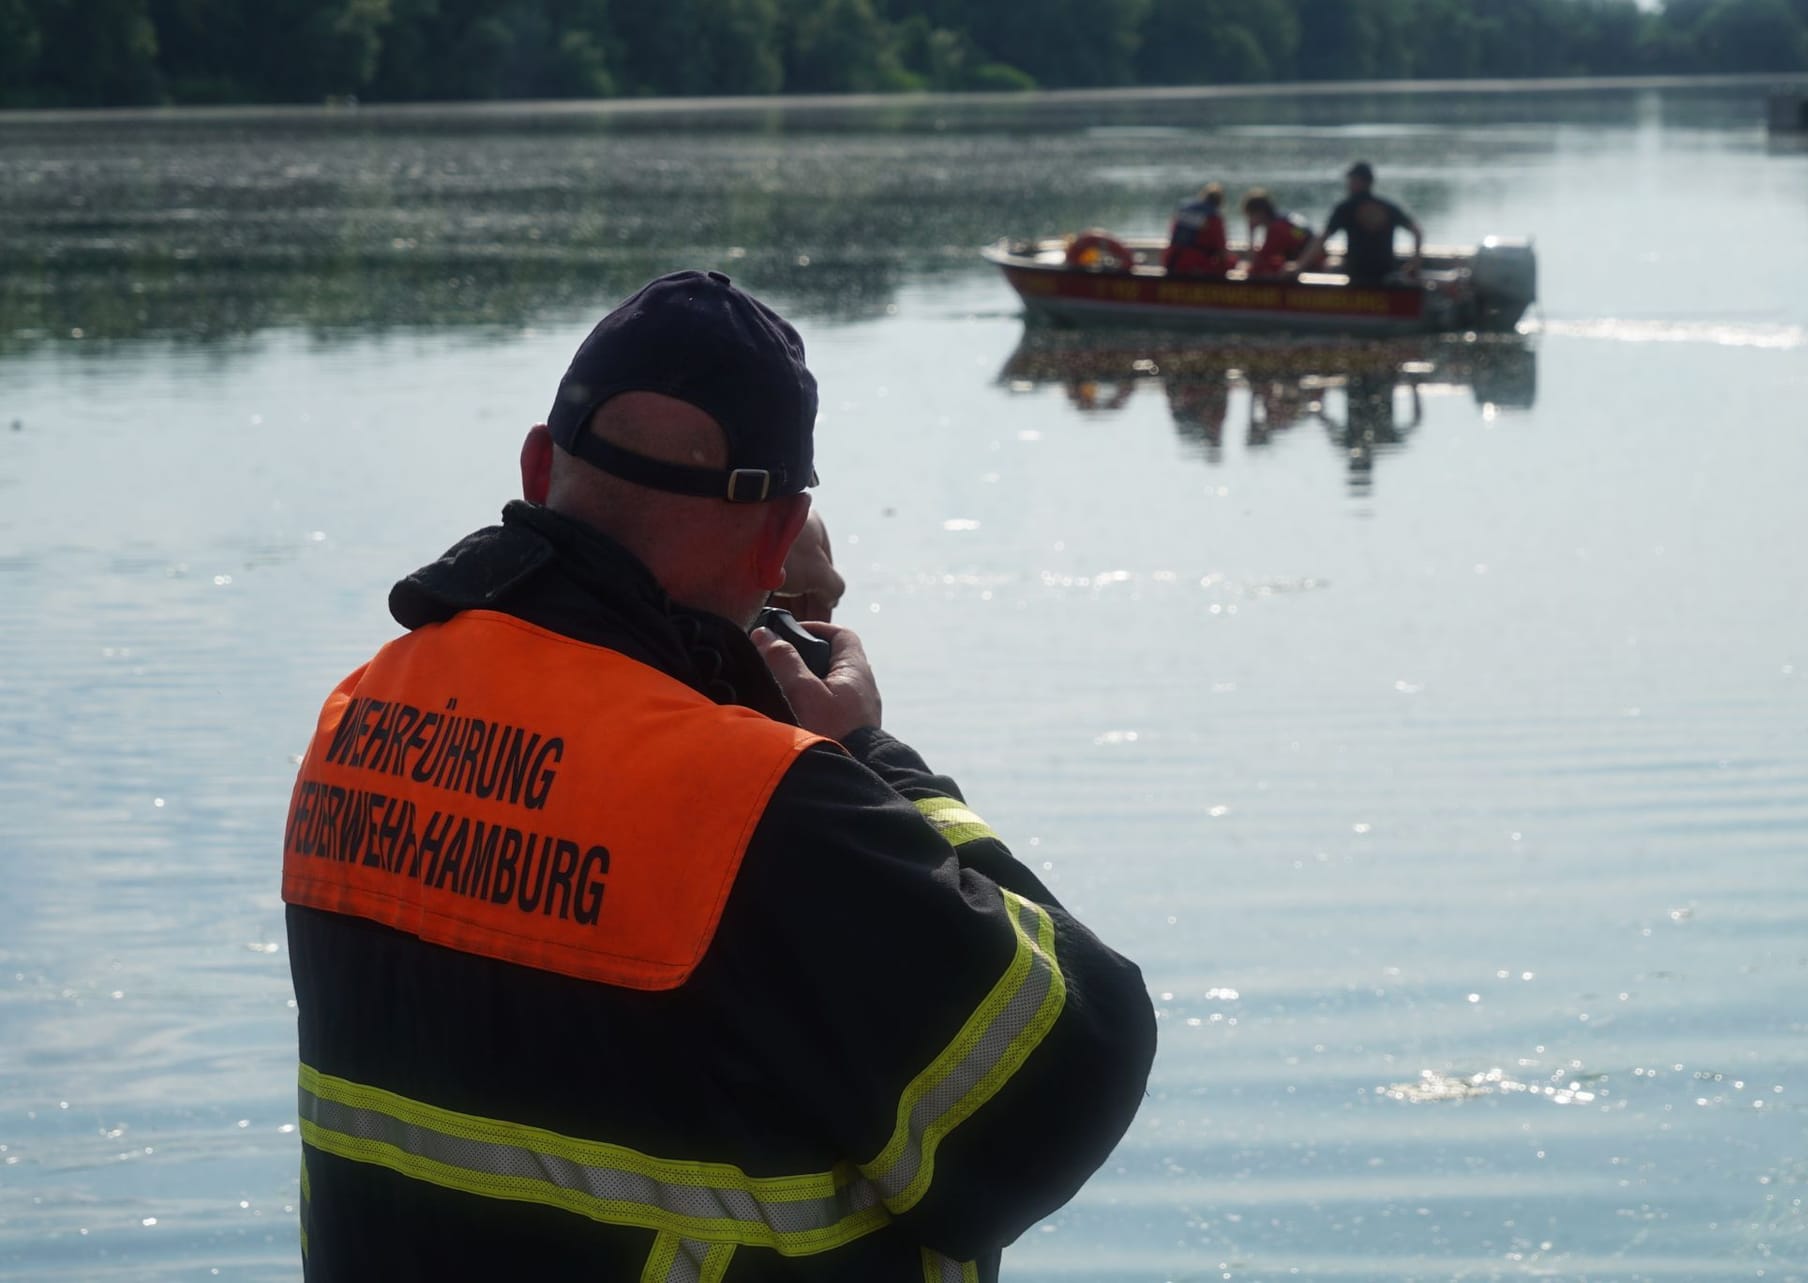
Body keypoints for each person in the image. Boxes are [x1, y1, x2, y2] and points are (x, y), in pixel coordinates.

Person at [280, 270, 1156, 1282]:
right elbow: (1064, 1080)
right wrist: (870, 758)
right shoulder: (762, 805)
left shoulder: (360, 719)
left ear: (535, 469)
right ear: (783, 536)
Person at [1289, 161, 1423, 287]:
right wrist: (1415, 261)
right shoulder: (1387, 207)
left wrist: (1299, 266)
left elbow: (1322, 239)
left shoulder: (1346, 208)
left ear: (1360, 181)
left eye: (1351, 180)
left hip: (1357, 275)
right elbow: (1417, 231)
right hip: (1385, 273)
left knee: (1330, 265)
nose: (1348, 184)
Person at [1161, 181, 1231, 276]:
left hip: (1172, 261)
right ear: (1220, 203)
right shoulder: (1214, 219)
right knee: (1231, 262)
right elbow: (1222, 251)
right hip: (1196, 266)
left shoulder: (1182, 212)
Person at [1240, 189, 1314, 278]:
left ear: (1259, 213)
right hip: (1308, 256)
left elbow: (1259, 261)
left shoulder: (1276, 229)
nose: (1249, 220)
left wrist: (1251, 234)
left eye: (1250, 216)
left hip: (1310, 261)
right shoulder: (1282, 219)